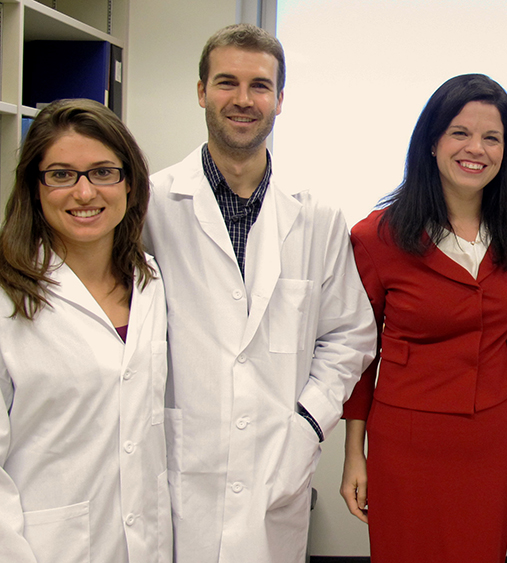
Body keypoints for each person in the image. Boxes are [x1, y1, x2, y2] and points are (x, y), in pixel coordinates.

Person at [143, 24, 376, 563]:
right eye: (227, 83)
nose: (243, 100)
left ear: (280, 100)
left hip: (278, 462)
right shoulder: (151, 205)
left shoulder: (316, 217)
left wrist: (309, 421)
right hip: (180, 464)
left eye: (260, 86)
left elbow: (352, 334)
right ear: (201, 92)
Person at [338, 73, 507, 563]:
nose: (476, 149)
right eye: (460, 133)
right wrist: (353, 453)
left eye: (492, 137)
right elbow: (360, 353)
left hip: (491, 441)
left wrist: (497, 374)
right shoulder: (376, 236)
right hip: (407, 443)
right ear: (431, 141)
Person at [0, 99, 170, 563]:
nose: (84, 192)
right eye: (60, 174)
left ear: (129, 183)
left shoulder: (150, 282)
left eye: (102, 172)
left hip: (146, 543)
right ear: (34, 187)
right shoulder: (7, 298)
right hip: (45, 547)